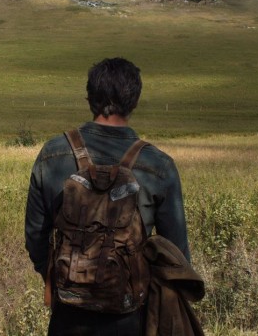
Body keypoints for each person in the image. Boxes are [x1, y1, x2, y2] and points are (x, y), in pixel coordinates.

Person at [25, 57, 191, 335]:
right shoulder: (159, 165)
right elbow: (177, 256)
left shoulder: (51, 154)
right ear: (134, 101)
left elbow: (35, 238)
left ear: (89, 98)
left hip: (67, 315)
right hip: (131, 317)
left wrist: (67, 281)